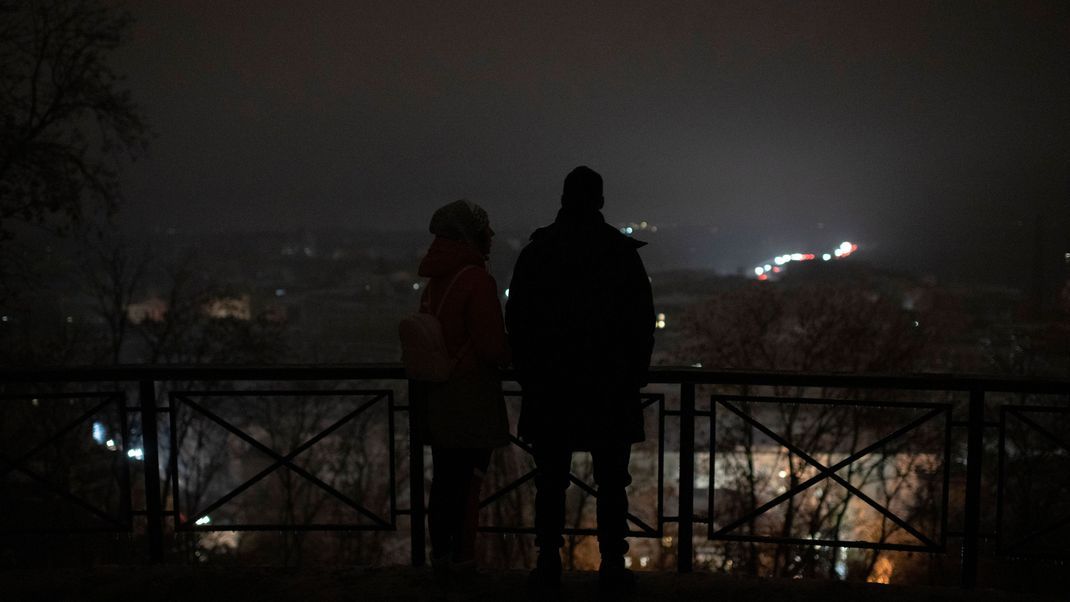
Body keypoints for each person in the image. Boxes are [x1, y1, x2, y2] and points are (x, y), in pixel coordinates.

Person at [505, 166, 655, 597]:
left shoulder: (538, 253)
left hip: (552, 389)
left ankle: (548, 562)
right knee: (612, 483)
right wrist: (632, 375)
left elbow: (518, 322)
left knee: (550, 482)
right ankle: (611, 564)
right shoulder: (621, 253)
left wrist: (531, 376)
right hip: (609, 388)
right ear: (601, 201)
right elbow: (641, 322)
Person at [416, 199, 510, 592]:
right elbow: (492, 349)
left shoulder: (436, 281)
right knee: (469, 483)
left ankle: (440, 559)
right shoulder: (476, 280)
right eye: (485, 229)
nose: (491, 236)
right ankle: (463, 562)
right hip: (470, 399)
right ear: (470, 236)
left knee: (444, 483)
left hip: (437, 397)